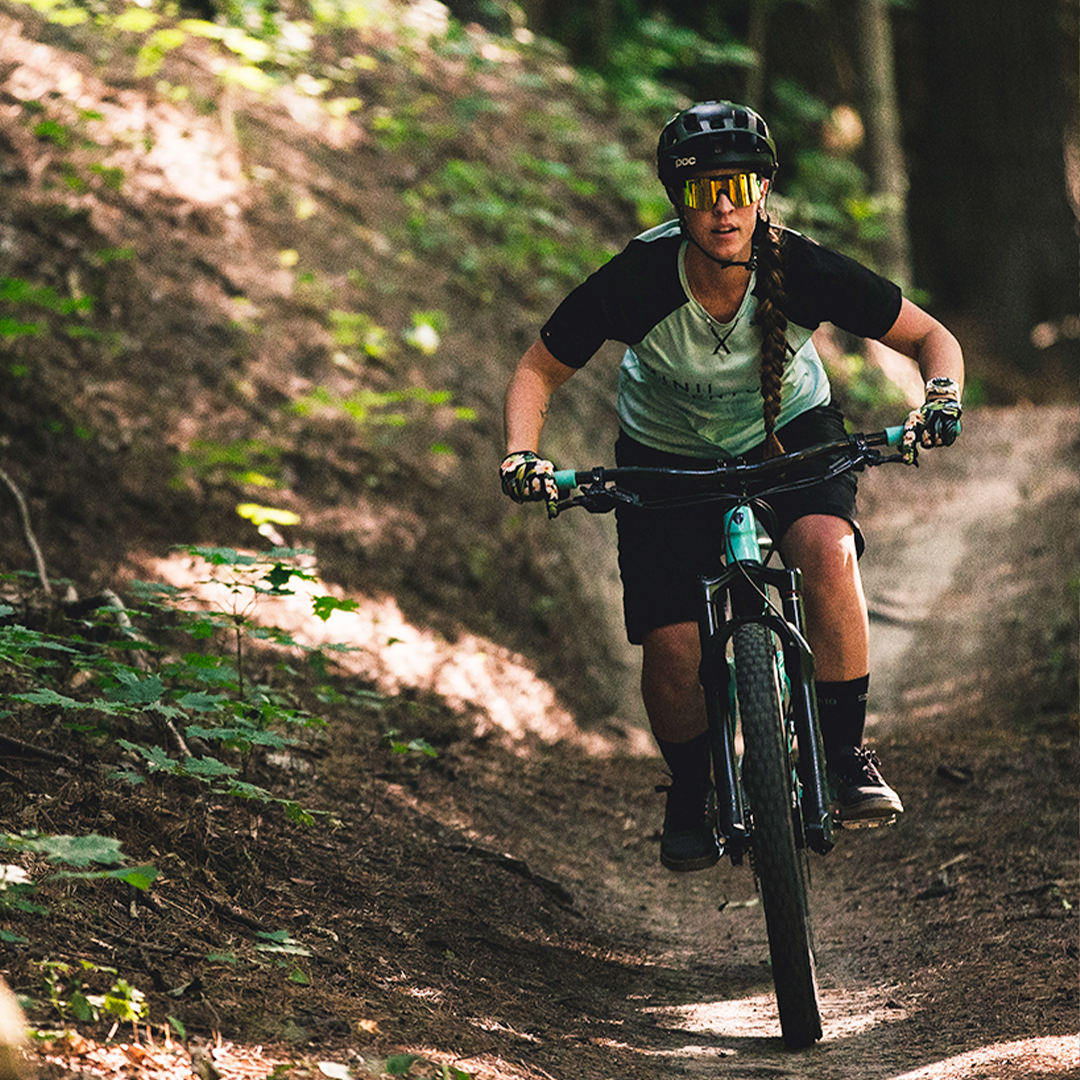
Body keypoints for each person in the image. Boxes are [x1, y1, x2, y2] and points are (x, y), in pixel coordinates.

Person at [500, 100, 963, 872]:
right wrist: (521, 454)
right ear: (677, 201)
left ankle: (845, 756)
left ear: (763, 190)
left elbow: (928, 338)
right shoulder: (641, 278)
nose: (723, 207)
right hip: (665, 458)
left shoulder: (800, 265)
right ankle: (692, 790)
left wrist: (941, 400)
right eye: (701, 191)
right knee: (675, 646)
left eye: (739, 186)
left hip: (791, 436)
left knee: (827, 548)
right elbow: (536, 369)